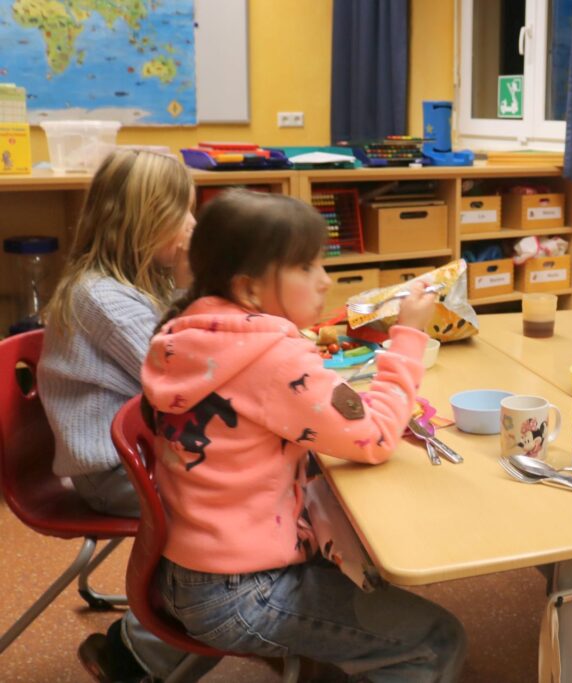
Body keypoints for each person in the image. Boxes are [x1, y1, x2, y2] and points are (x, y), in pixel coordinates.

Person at [140, 189, 466, 682]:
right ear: (249, 289)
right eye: (307, 266)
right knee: (435, 642)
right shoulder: (273, 359)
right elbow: (376, 438)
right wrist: (409, 336)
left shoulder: (189, 328)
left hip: (190, 572)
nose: (325, 279)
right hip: (243, 590)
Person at [37, 149, 203, 682]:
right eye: (183, 213)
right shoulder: (104, 299)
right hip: (114, 471)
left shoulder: (142, 281)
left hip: (150, 452)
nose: (193, 224)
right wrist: (197, 282)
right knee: (238, 508)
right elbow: (191, 380)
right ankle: (136, 653)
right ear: (144, 220)